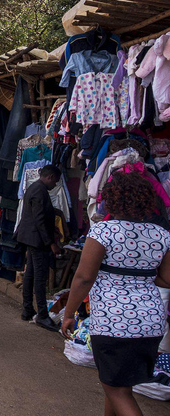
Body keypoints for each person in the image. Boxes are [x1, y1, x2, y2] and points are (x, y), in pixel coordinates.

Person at [61, 172, 170, 416]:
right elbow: (167, 278)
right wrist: (140, 275)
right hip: (150, 323)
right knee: (121, 385)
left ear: (111, 199)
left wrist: (68, 314)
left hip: (114, 322)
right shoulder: (161, 235)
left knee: (116, 391)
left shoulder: (103, 231)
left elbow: (84, 277)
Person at [14, 164, 62, 332]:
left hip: (32, 237)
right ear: (49, 177)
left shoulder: (36, 188)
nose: (55, 185)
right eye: (55, 181)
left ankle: (28, 309)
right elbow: (39, 219)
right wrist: (51, 243)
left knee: (31, 274)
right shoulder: (39, 191)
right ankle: (42, 314)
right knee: (39, 277)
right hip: (37, 239)